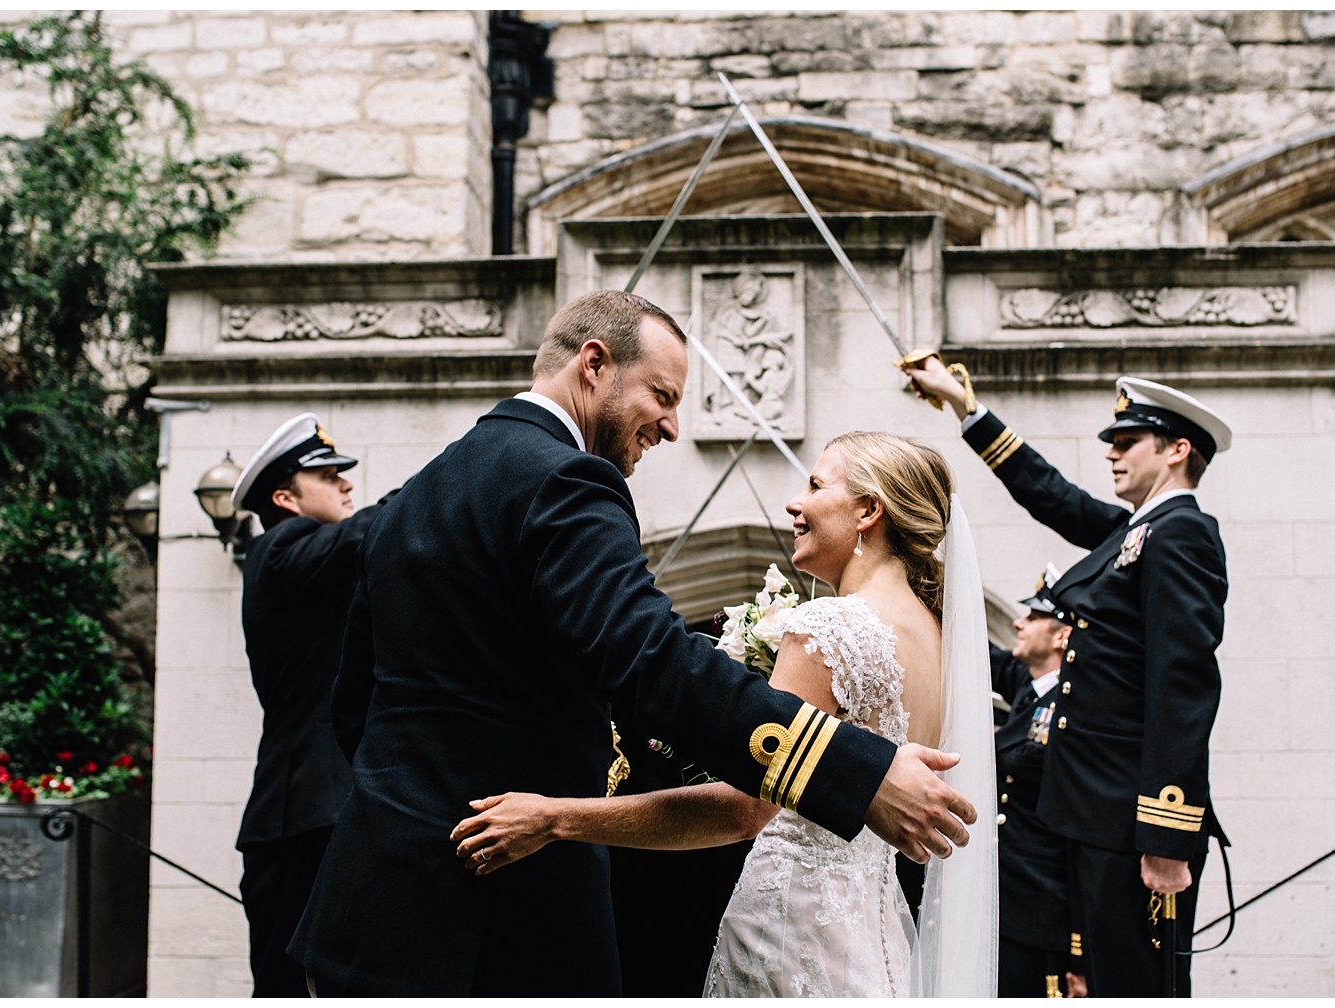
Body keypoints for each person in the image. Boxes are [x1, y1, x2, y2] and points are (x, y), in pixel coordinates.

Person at [287, 291, 978, 996]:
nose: (674, 426)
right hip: (499, 917)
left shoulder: (413, 494)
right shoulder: (568, 481)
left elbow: (352, 704)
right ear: (595, 365)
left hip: (365, 908)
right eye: (662, 395)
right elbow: (651, 660)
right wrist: (851, 770)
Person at [450, 431, 999, 997]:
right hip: (877, 936)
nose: (795, 503)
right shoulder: (939, 640)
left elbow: (745, 811)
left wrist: (555, 819)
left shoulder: (828, 628)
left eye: (814, 485)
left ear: (868, 511)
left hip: (792, 928)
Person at [902, 356, 1230, 997]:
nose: (1111, 454)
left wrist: (1169, 830)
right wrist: (968, 410)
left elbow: (1183, 682)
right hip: (1090, 812)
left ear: (1177, 450)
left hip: (1132, 818)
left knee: (1136, 984)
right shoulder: (1135, 531)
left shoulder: (1181, 533)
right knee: (1106, 982)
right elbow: (1051, 496)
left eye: (1127, 442)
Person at [231, 414, 387, 997]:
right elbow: (366, 532)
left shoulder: (317, 568)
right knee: (288, 990)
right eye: (326, 475)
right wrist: (460, 474)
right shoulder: (277, 549)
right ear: (284, 498)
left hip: (332, 812)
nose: (346, 484)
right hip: (301, 819)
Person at [992, 565, 1086, 998]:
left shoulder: (1075, 706)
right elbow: (974, 651)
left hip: (1042, 909)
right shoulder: (1029, 690)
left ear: (1061, 635)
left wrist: (1077, 949)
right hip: (1008, 899)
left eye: (1032, 618)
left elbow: (1079, 829)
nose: (1017, 621)